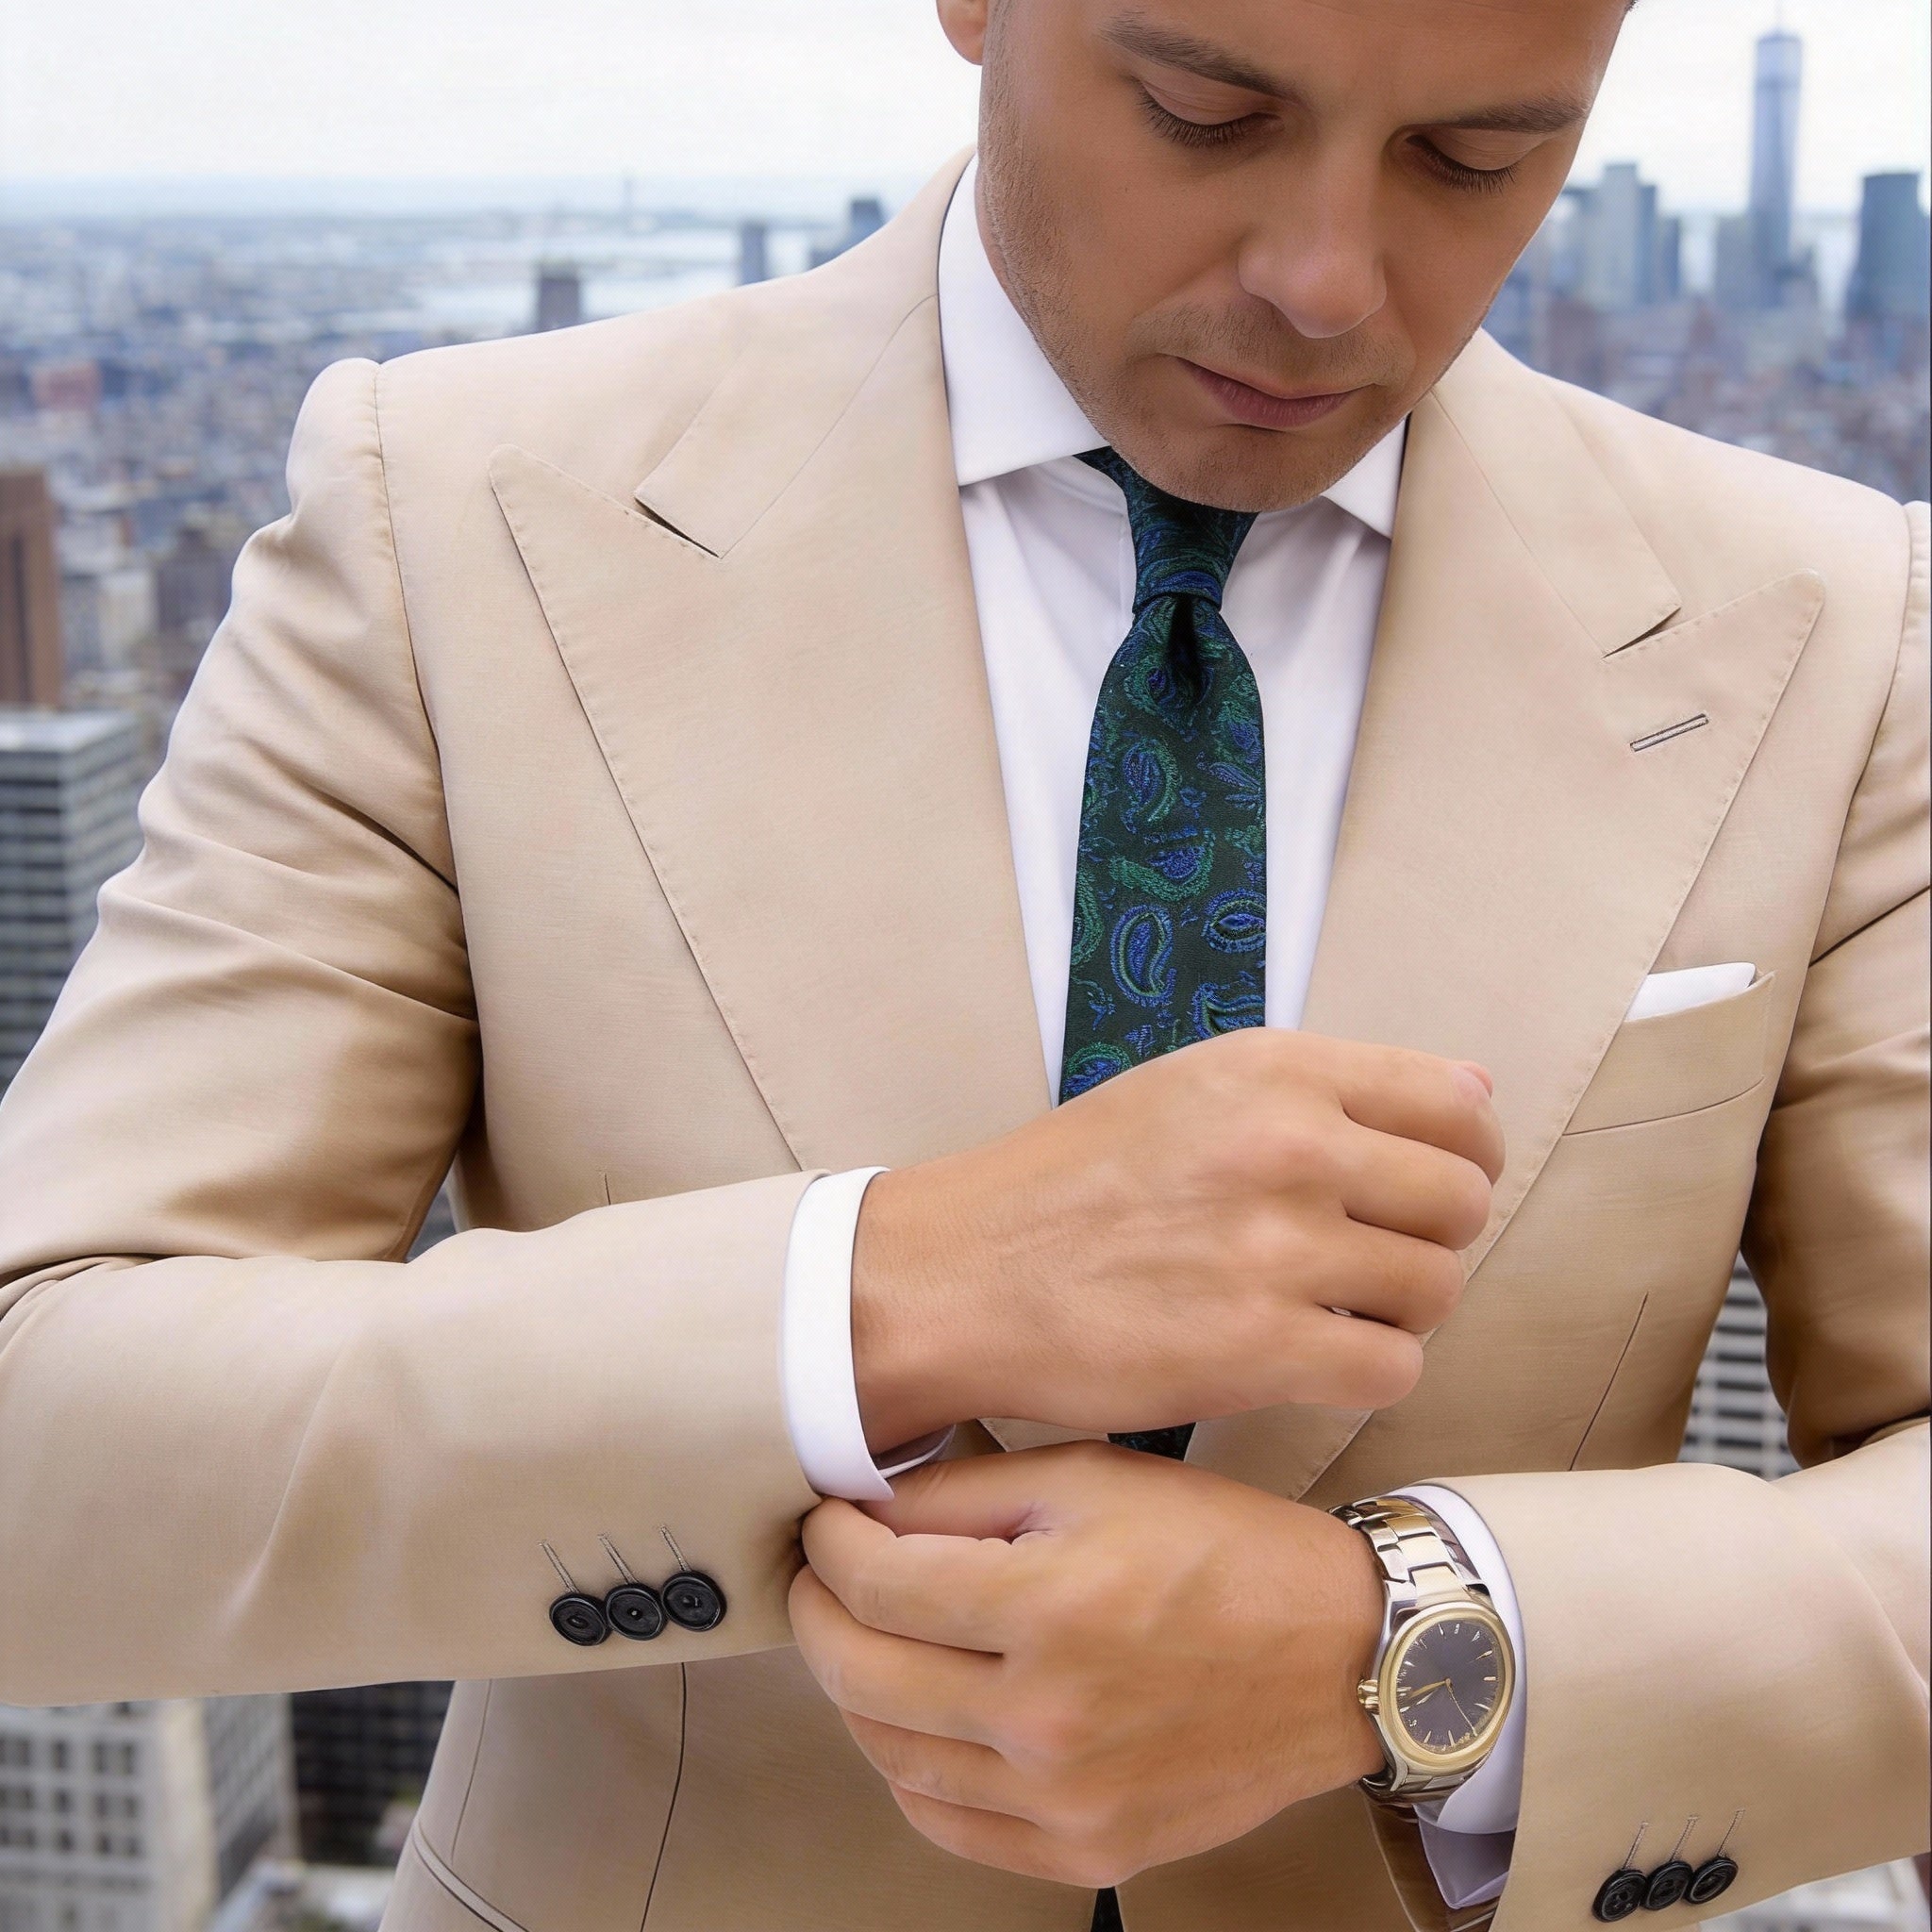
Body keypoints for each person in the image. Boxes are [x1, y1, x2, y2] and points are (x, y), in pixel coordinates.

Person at [0, 1, 1924, 1927]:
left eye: (1474, 161)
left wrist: (1420, 1647)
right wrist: (885, 1291)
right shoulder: (452, 515)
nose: (1327, 283)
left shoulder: (1829, 625)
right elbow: (42, 1447)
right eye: (1202, 113)